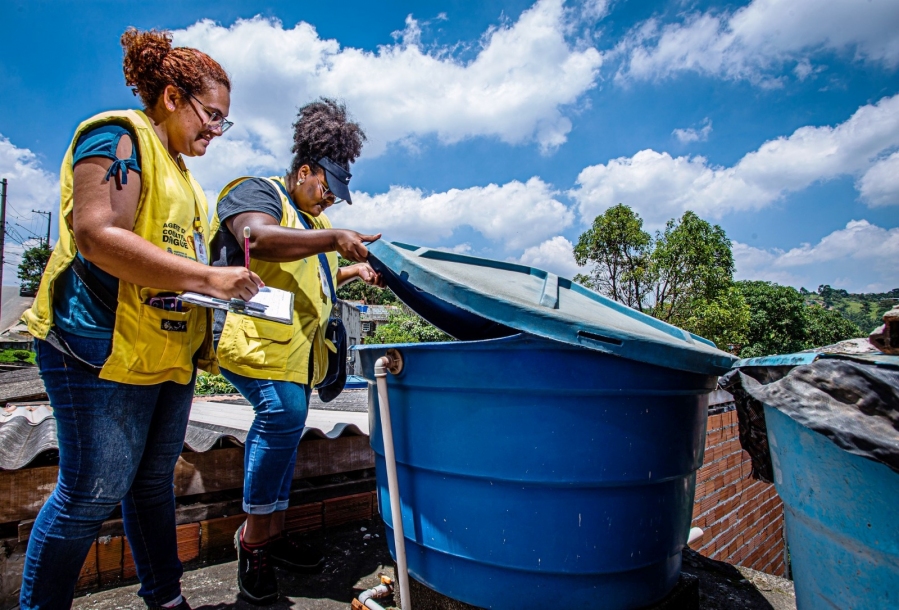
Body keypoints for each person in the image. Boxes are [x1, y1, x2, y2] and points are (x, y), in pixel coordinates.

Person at [20, 28, 261, 610]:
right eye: (212, 115)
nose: (216, 130)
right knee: (89, 493)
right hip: (98, 345)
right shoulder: (118, 137)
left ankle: (167, 598)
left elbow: (170, 262)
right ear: (173, 97)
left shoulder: (184, 176)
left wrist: (214, 291)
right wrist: (207, 280)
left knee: (152, 485)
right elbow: (98, 235)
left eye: (223, 121)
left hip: (164, 351)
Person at [209, 98, 381, 603]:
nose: (329, 202)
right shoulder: (257, 192)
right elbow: (258, 241)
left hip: (295, 353)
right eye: (326, 189)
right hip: (253, 342)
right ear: (304, 171)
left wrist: (351, 271)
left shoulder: (308, 227)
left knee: (290, 427)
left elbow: (311, 279)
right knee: (281, 415)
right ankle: (253, 542)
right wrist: (334, 238)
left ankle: (275, 535)